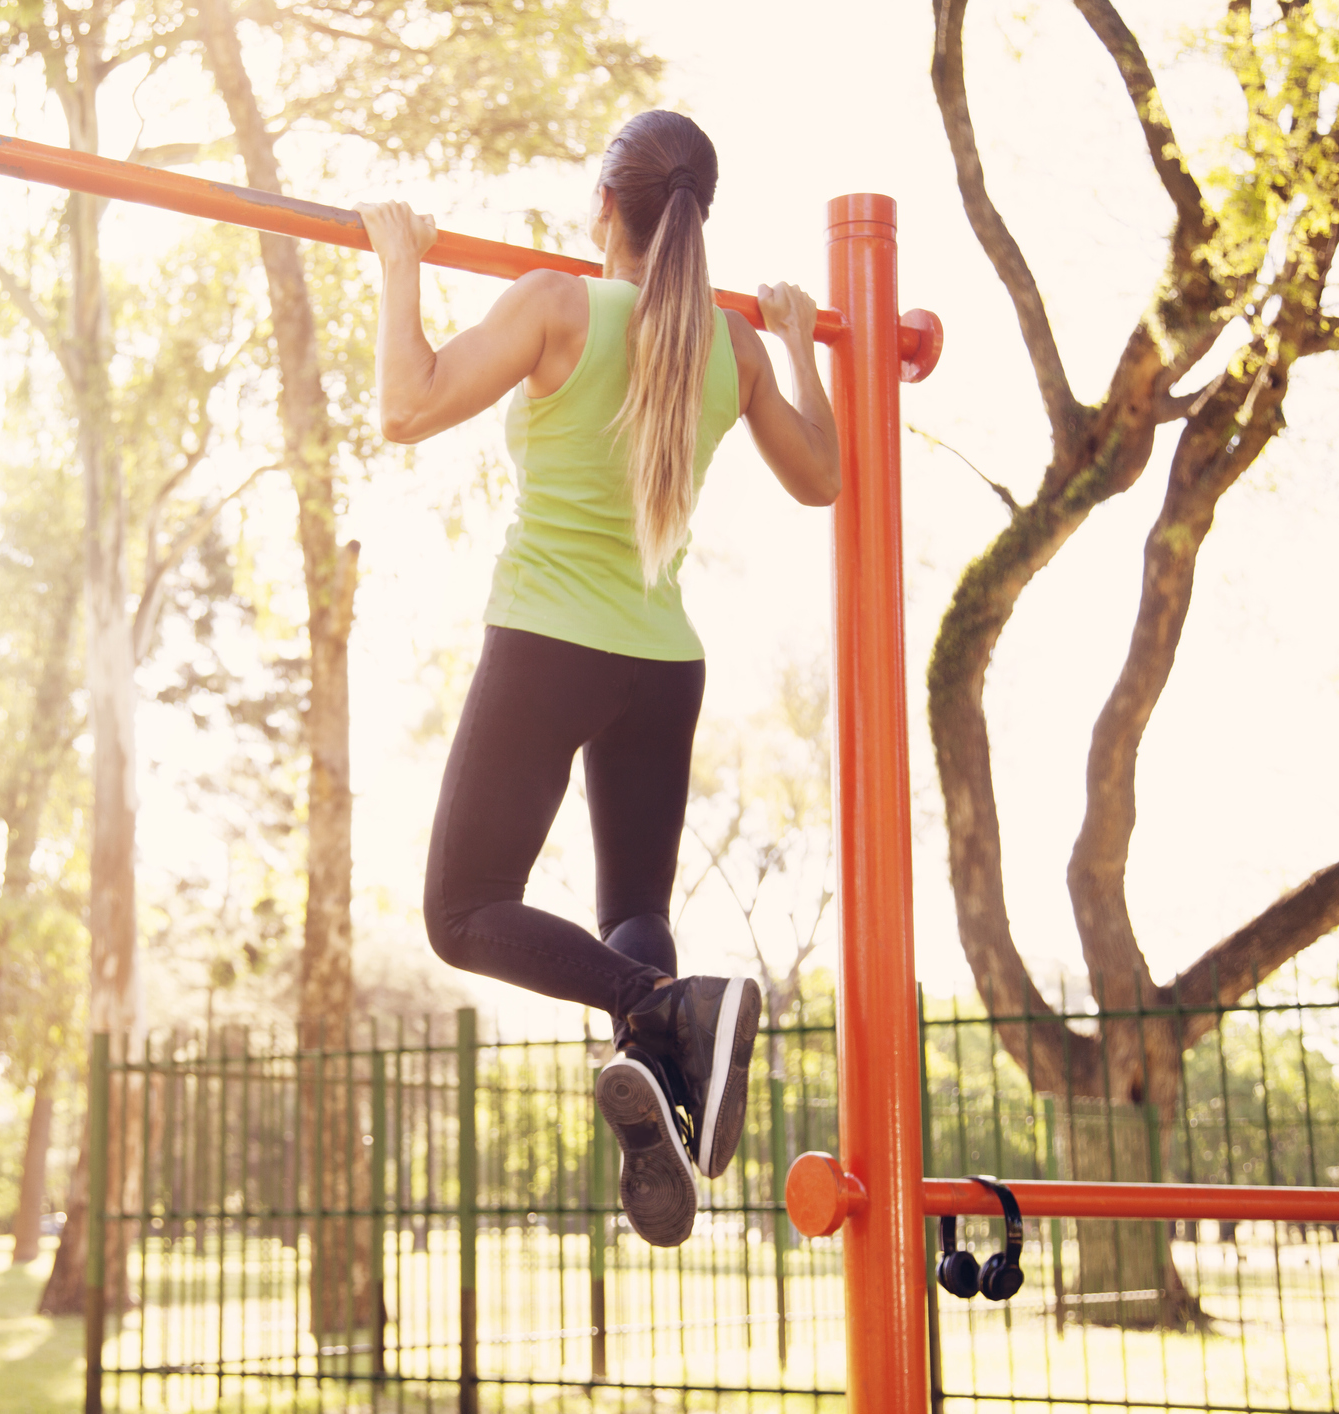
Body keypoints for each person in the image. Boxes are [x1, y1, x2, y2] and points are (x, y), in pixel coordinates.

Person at [356, 110, 839, 1247]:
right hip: (662, 668)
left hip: (546, 648)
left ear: (602, 213)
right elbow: (820, 479)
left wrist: (399, 266)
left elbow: (404, 404)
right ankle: (666, 1083)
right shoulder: (738, 348)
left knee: (462, 911)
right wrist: (803, 342)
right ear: (696, 218)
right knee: (633, 912)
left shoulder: (557, 305)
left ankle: (663, 1009)